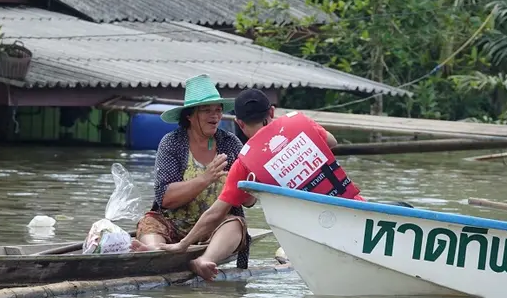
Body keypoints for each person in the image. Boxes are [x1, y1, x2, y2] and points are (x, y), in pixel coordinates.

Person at [160, 88, 364, 280]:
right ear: (272, 112)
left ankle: (204, 259)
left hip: (313, 230)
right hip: (354, 210)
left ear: (240, 123)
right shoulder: (300, 122)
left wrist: (183, 245)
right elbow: (331, 141)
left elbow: (215, 213)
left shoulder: (244, 163)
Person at [133, 74, 250, 267]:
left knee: (235, 225)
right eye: (206, 110)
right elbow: (165, 198)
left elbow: (250, 201)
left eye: (218, 110)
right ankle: (154, 252)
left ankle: (205, 261)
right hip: (172, 223)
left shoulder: (230, 144)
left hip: (215, 226)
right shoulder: (172, 143)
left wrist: (242, 185)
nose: (215, 116)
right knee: (149, 224)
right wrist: (206, 178)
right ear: (189, 115)